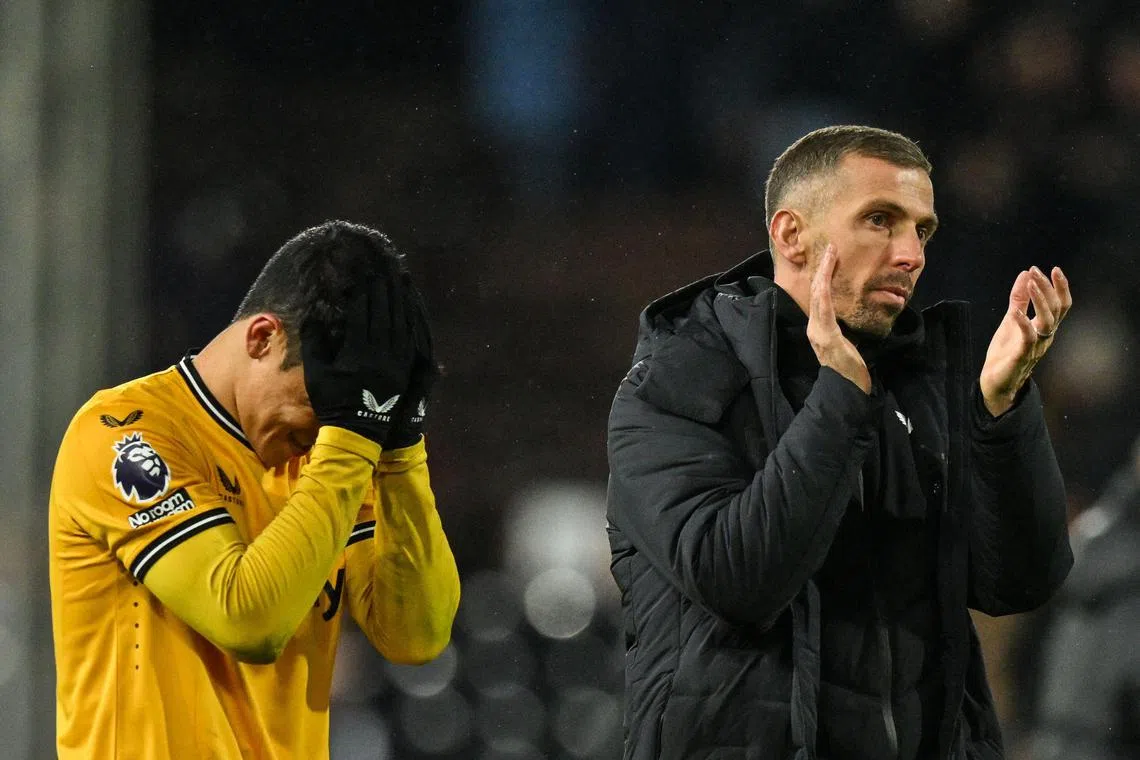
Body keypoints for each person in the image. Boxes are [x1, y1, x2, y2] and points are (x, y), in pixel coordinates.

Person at [605, 125, 1074, 760]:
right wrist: (840, 397)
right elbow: (739, 581)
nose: (911, 255)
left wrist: (999, 410)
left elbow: (1019, 584)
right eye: (880, 220)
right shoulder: (676, 382)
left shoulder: (919, 384)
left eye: (923, 231)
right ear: (790, 234)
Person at [48, 220, 461, 758]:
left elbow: (415, 636)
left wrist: (402, 449)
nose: (326, 428)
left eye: (348, 409)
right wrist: (350, 437)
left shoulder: (327, 458)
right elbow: (247, 621)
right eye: (322, 401)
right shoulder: (122, 434)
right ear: (262, 338)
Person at [1009, 436, 1140, 760]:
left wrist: (1027, 724)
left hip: (1053, 738)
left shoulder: (1088, 535)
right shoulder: (1103, 542)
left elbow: (1026, 653)